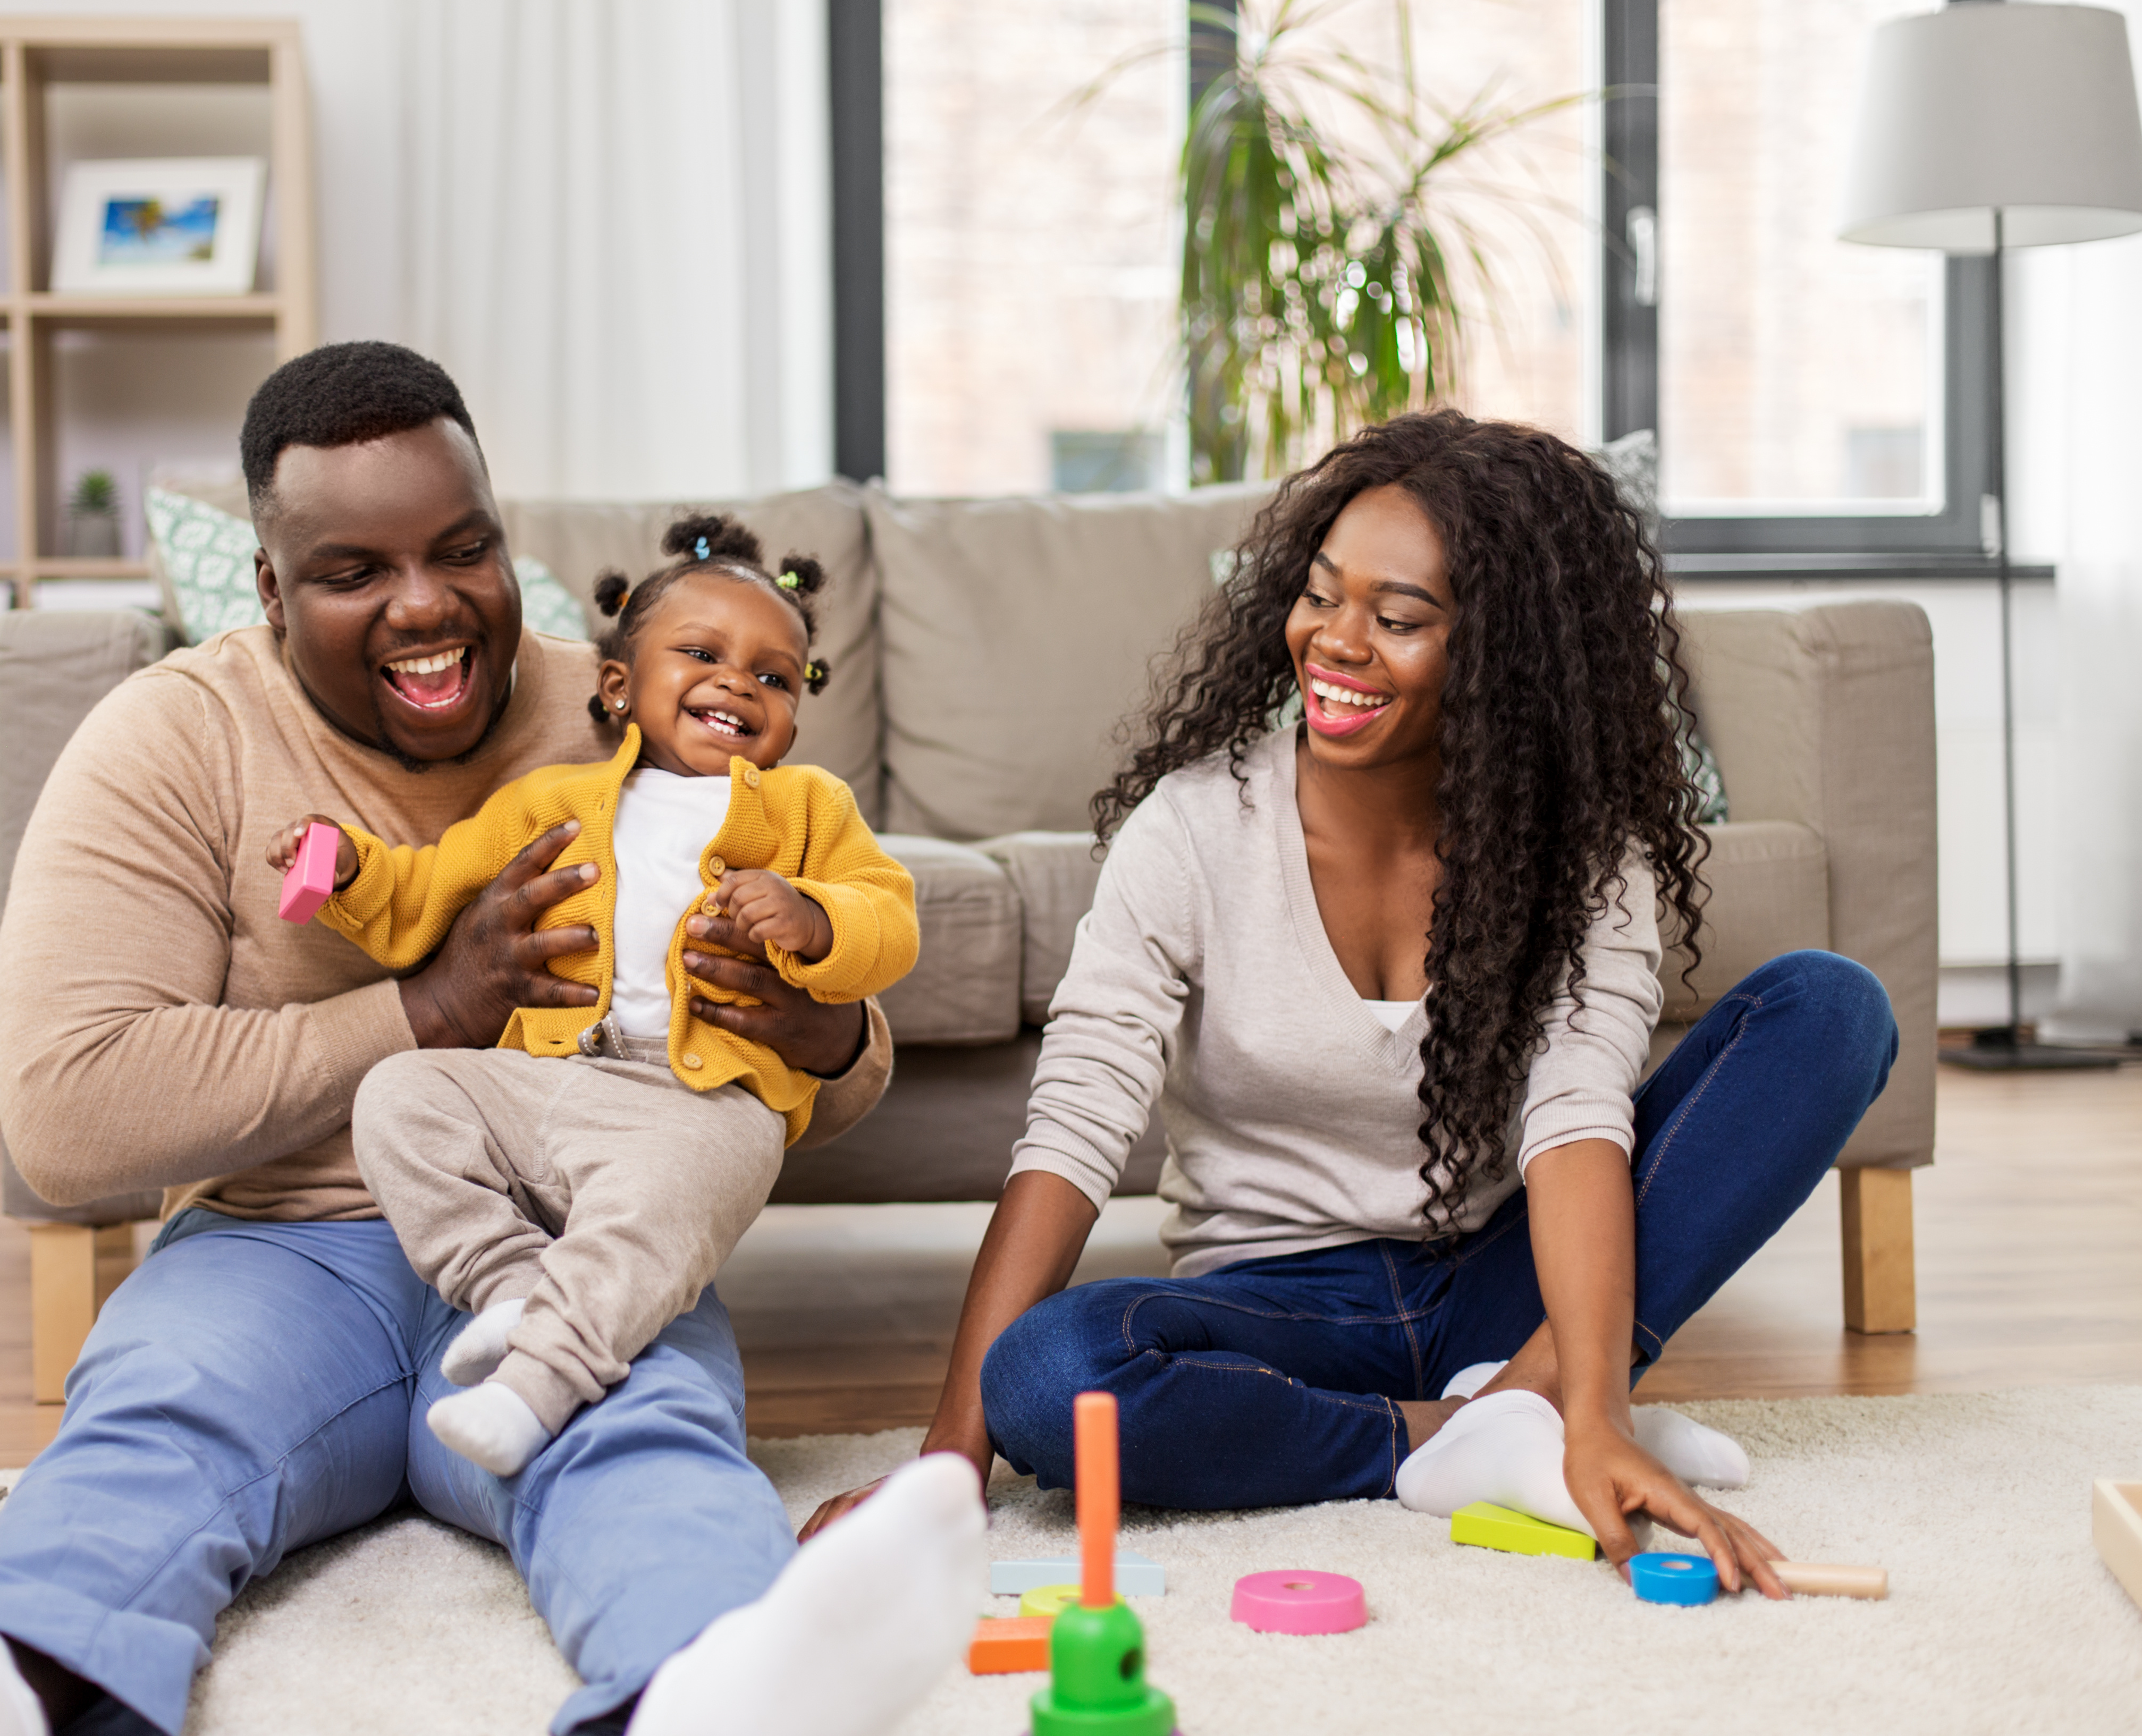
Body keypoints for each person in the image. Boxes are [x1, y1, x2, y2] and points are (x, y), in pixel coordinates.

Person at [0, 341, 982, 1736]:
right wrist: (425, 1007)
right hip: (284, 1244)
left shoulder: (636, 710)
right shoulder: (173, 738)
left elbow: (846, 1043)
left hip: (563, 1239)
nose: (426, 606)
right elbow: (66, 1110)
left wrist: (816, 1025)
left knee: (640, 1438)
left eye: (463, 550)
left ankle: (711, 1688)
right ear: (272, 589)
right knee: (160, 1420)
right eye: (354, 571)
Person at [800, 410, 1899, 1599]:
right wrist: (950, 1466)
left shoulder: (1578, 854)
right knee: (1050, 1372)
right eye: (1321, 595)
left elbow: (1577, 1115)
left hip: (1501, 1269)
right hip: (1278, 1302)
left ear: (1503, 654)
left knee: (1830, 1008)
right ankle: (1452, 1436)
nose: (1336, 641)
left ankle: (1545, 1392)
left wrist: (1596, 1403)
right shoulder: (1197, 826)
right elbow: (1072, 1129)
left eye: (1401, 618)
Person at [266, 512, 917, 1478]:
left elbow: (888, 918)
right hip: (548, 1077)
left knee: (668, 1204)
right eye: (700, 652)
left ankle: (537, 1389)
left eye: (773, 676)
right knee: (399, 1096)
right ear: (619, 685)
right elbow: (427, 892)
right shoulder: (553, 803)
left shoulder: (808, 808)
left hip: (696, 1104)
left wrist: (814, 918)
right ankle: (510, 1284)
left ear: (791, 717)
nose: (738, 681)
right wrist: (351, 870)